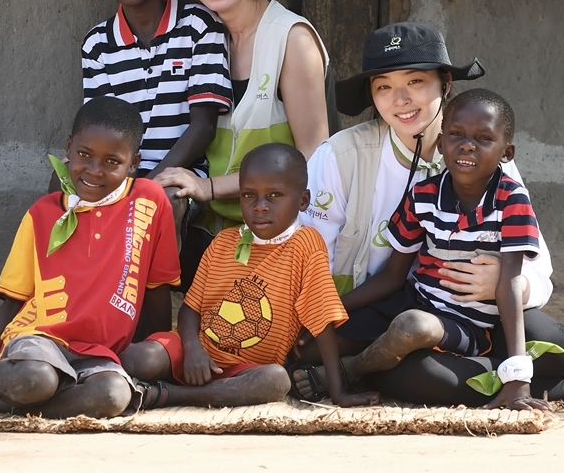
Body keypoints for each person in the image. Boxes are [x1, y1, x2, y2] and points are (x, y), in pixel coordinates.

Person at [292, 22, 564, 408]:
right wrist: (321, 314)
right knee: (410, 372)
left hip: (486, 316)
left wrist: (502, 281)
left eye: (415, 81)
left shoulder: (492, 162)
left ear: (445, 84)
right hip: (400, 314)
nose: (401, 99)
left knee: (561, 348)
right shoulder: (341, 157)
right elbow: (308, 257)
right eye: (383, 87)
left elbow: (535, 269)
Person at [0, 97, 181, 418]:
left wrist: (152, 359)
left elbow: (156, 288)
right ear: (69, 148)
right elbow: (13, 301)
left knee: (112, 395)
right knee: (38, 380)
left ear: (133, 164)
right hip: (39, 339)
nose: (94, 170)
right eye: (84, 155)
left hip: (100, 352)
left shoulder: (150, 201)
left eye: (111, 161)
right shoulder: (42, 214)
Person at [329, 90, 551, 411]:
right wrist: (332, 311)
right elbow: (393, 276)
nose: (467, 145)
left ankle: (353, 370)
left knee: (414, 328)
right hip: (415, 299)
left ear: (507, 152)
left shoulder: (511, 200)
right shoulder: (423, 195)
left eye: (483, 138)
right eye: (456, 134)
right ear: (441, 141)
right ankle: (348, 364)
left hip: (465, 323)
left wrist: (518, 378)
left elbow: (509, 283)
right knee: (319, 342)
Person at [121, 143, 379, 409]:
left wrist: (338, 393)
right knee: (138, 358)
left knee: (276, 380)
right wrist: (193, 350)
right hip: (195, 351)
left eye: (275, 195)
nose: (260, 207)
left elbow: (322, 322)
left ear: (303, 200)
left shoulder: (306, 245)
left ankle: (169, 394)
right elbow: (190, 309)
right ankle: (118, 378)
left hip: (247, 369)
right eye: (249, 195)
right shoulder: (224, 242)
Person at [154, 0, 331, 285]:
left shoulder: (291, 39)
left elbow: (313, 159)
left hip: (276, 231)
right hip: (211, 230)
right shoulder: (196, 35)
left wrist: (210, 187)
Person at [83, 0, 232, 237]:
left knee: (161, 203)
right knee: (60, 184)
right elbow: (100, 128)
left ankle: (152, 274)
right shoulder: (97, 44)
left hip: (181, 170)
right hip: (118, 170)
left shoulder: (199, 26)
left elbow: (204, 125)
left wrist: (149, 185)